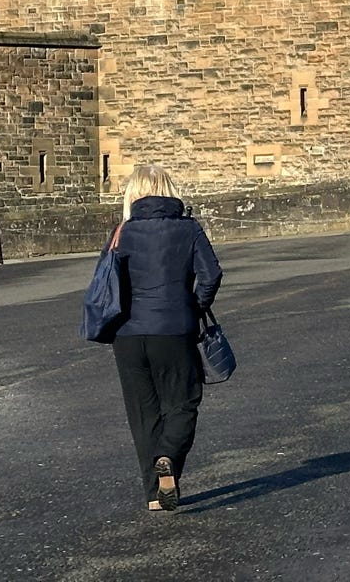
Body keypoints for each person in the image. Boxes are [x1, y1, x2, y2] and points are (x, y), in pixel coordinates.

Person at [111, 162, 221, 512]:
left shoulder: (121, 232)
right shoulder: (188, 229)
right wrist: (194, 307)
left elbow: (108, 282)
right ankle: (168, 456)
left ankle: (154, 495)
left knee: (143, 415)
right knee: (184, 402)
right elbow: (211, 275)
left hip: (127, 334)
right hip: (173, 329)